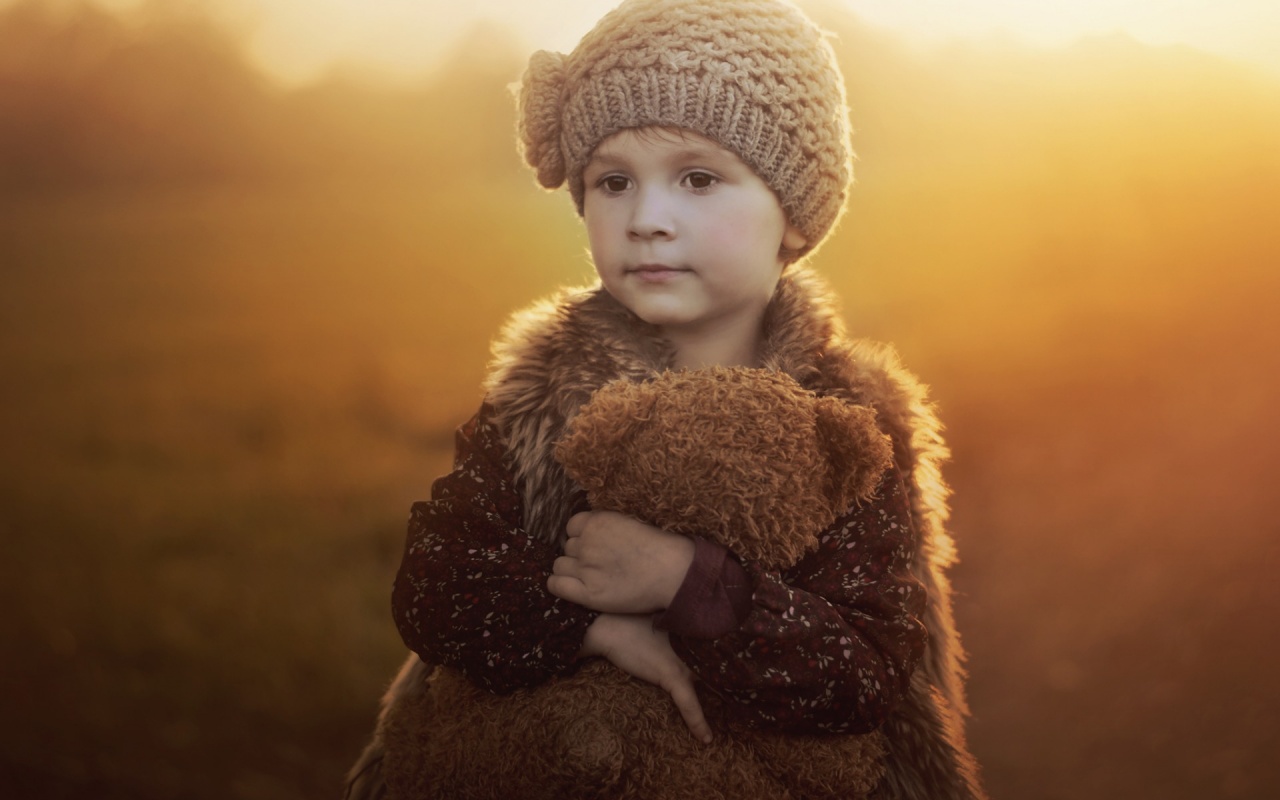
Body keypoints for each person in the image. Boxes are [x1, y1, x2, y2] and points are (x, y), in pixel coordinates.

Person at [347, 0, 985, 797]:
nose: (648, 219)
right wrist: (588, 623)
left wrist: (689, 584)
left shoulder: (845, 424)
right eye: (613, 182)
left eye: (699, 178)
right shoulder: (537, 402)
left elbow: (868, 676)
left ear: (793, 214)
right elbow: (440, 591)